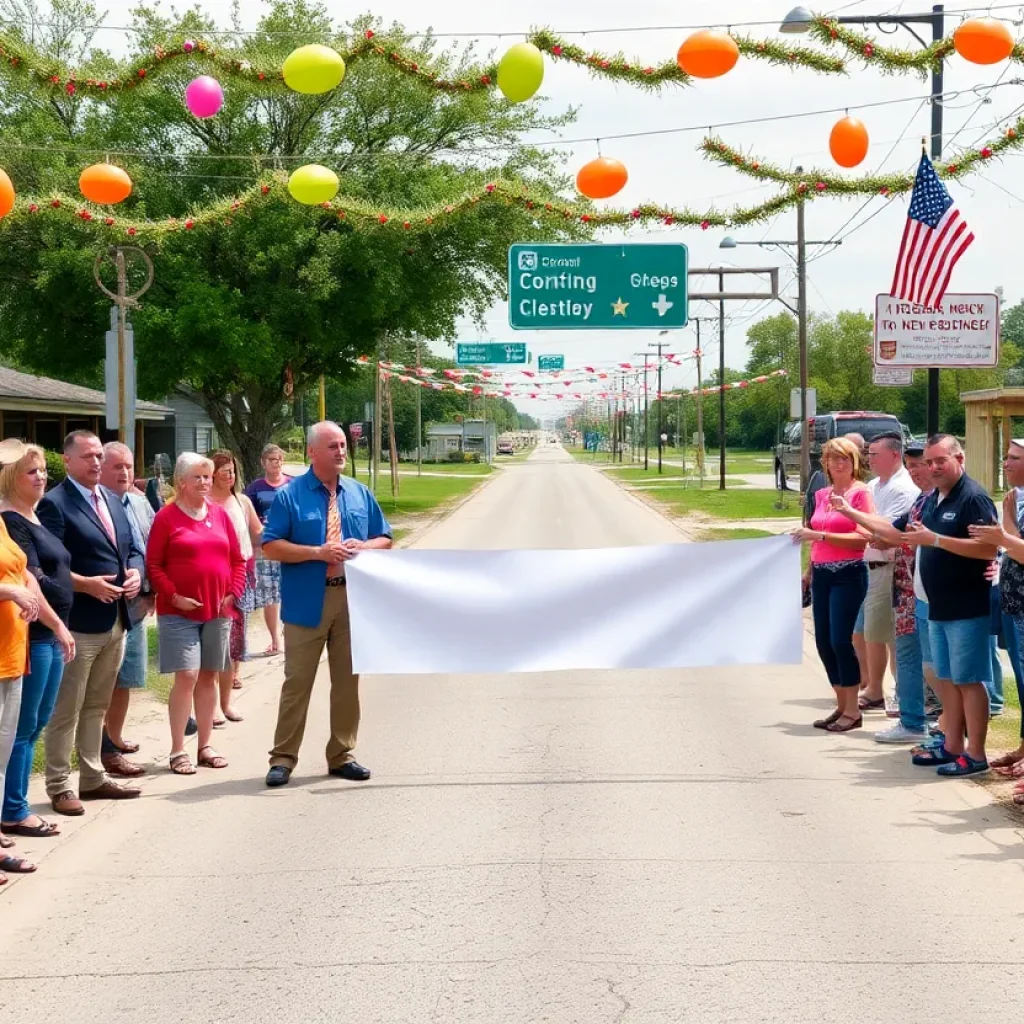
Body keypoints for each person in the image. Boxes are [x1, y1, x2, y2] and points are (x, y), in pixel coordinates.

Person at [841, 435, 998, 775]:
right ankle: (952, 745)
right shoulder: (933, 499)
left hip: (966, 606)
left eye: (941, 460)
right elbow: (897, 533)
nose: (933, 467)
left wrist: (936, 540)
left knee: (969, 681)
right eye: (929, 462)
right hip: (935, 605)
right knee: (947, 678)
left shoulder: (973, 498)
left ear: (960, 458)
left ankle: (976, 755)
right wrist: (851, 513)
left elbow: (988, 550)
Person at [263, 422, 392, 787]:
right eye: (332, 446)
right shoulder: (291, 496)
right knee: (297, 683)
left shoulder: (359, 493)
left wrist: (364, 547)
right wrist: (317, 552)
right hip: (307, 601)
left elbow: (386, 537)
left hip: (351, 601)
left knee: (347, 682)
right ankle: (283, 758)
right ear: (312, 453)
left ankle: (342, 754)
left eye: (342, 445)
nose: (340, 451)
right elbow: (271, 546)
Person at [37, 431, 144, 815]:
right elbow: (47, 565)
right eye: (88, 457)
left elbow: (130, 548)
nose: (97, 463)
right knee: (67, 707)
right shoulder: (54, 504)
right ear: (67, 461)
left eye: (100, 455)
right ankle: (60, 784)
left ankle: (93, 776)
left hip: (116, 621)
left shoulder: (114, 501)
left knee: (97, 704)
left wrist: (134, 571)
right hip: (78, 623)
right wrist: (84, 584)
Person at [0, 440, 75, 876]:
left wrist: (56, 620)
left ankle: (11, 811)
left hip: (16, 649)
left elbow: (25, 572)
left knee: (18, 735)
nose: (41, 476)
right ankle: (14, 808)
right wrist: (12, 592)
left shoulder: (7, 524)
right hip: (23, 643)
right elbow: (24, 579)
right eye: (30, 470)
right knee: (18, 734)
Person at [147, 452, 246, 775]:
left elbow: (237, 559)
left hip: (218, 610)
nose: (205, 482)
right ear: (181, 482)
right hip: (179, 611)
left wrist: (233, 592)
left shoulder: (219, 515)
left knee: (208, 676)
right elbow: (154, 565)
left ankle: (205, 745)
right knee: (186, 675)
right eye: (198, 477)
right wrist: (174, 596)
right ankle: (178, 750)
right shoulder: (166, 518)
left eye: (208, 476)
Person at [832, 442, 933, 743]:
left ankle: (931, 718)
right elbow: (893, 531)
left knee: (930, 662)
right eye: (912, 465)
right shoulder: (919, 499)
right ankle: (912, 718)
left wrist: (853, 515)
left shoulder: (910, 493)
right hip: (905, 585)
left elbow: (894, 534)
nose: (916, 471)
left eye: (922, 465)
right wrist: (852, 513)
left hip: (918, 587)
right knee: (899, 647)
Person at [792, 437, 873, 732]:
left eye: (845, 459)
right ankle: (841, 704)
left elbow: (864, 537)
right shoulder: (823, 494)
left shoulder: (860, 493)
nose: (839, 464)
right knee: (823, 641)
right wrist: (808, 571)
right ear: (825, 463)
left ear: (854, 463)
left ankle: (853, 710)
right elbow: (815, 532)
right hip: (822, 572)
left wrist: (821, 538)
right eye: (833, 459)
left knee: (841, 639)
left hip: (849, 572)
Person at [97, 442, 153, 779]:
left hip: (136, 605)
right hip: (101, 609)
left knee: (127, 679)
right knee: (102, 682)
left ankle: (114, 739)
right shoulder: (95, 505)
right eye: (117, 466)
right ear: (100, 468)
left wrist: (147, 586)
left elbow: (144, 548)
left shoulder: (140, 502)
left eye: (129, 466)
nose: (125, 473)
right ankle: (100, 748)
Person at [972, 437, 1024, 798]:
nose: (1005, 463)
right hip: (1011, 602)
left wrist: (1002, 533)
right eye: (1006, 456)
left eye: (1014, 458)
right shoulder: (1015, 498)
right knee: (1021, 683)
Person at [854, 433, 919, 711]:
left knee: (894, 636)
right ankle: (874, 689)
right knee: (873, 633)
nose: (869, 459)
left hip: (889, 567)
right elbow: (870, 529)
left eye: (874, 454)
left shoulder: (902, 488)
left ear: (894, 455)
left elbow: (890, 531)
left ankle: (898, 691)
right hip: (871, 565)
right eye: (868, 454)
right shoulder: (873, 485)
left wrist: (869, 528)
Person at [209, 450, 262, 724]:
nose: (229, 475)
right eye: (223, 471)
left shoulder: (241, 501)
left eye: (232, 470)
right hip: (213, 578)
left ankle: (227, 702)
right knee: (214, 643)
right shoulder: (204, 502)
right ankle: (211, 706)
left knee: (234, 642)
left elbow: (260, 533)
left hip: (241, 576)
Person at [245, 444, 292, 656]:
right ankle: (275, 640)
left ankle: (292, 636)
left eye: (279, 458)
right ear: (263, 462)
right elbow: (246, 516)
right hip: (264, 549)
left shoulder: (293, 484)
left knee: (290, 592)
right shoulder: (255, 489)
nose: (276, 462)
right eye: (272, 459)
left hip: (291, 545)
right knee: (270, 596)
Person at [804, 432, 865, 525]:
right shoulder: (821, 492)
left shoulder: (863, 491)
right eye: (835, 457)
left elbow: (866, 535)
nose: (840, 463)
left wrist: (820, 535)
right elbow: (810, 522)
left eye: (845, 457)